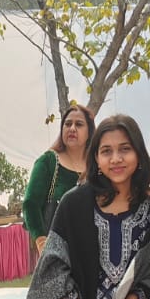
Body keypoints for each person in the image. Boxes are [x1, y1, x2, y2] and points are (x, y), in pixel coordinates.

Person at [22, 114, 150, 299]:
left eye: (125, 149)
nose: (116, 159)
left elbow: (147, 283)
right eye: (106, 151)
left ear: (139, 155)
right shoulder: (73, 204)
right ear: (96, 159)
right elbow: (54, 272)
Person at [22, 104, 93, 258]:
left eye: (79, 124)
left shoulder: (97, 166)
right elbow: (30, 204)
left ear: (90, 132)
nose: (72, 128)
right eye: (68, 124)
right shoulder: (48, 161)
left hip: (91, 252)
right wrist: (42, 243)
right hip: (56, 254)